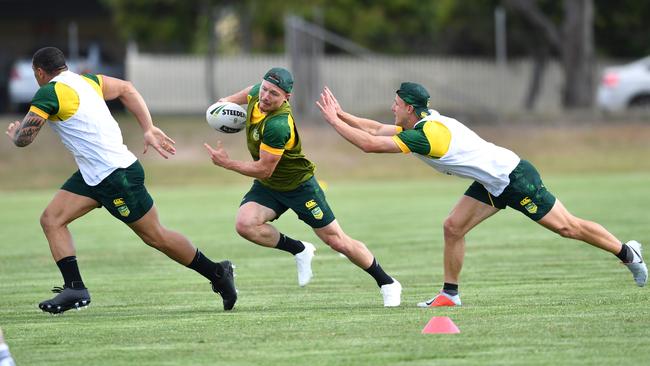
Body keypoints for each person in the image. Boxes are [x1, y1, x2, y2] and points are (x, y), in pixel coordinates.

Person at [316, 83, 647, 307]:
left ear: (411, 109)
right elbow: (374, 129)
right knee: (453, 227)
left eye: (397, 104)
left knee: (568, 228)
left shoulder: (428, 136)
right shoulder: (422, 122)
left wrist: (332, 122)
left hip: (515, 178)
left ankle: (626, 252)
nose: (392, 107)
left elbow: (369, 144)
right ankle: (450, 294)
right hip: (492, 183)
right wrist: (342, 115)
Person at [5, 47, 236, 313]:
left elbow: (24, 139)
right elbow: (126, 88)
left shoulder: (49, 91)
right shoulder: (87, 81)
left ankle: (219, 273)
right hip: (93, 175)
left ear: (39, 72)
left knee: (156, 237)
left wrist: (16, 135)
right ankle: (75, 288)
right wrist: (147, 127)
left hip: (117, 176)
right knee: (52, 219)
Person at [203, 67, 401, 306]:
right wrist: (226, 102)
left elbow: (264, 168)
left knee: (336, 240)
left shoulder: (278, 125)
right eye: (265, 89)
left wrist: (227, 163)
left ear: (286, 97)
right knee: (245, 224)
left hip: (299, 186)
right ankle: (299, 249)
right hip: (270, 186)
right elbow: (249, 92)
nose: (266, 97)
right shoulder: (259, 94)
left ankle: (387, 282)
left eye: (274, 94)